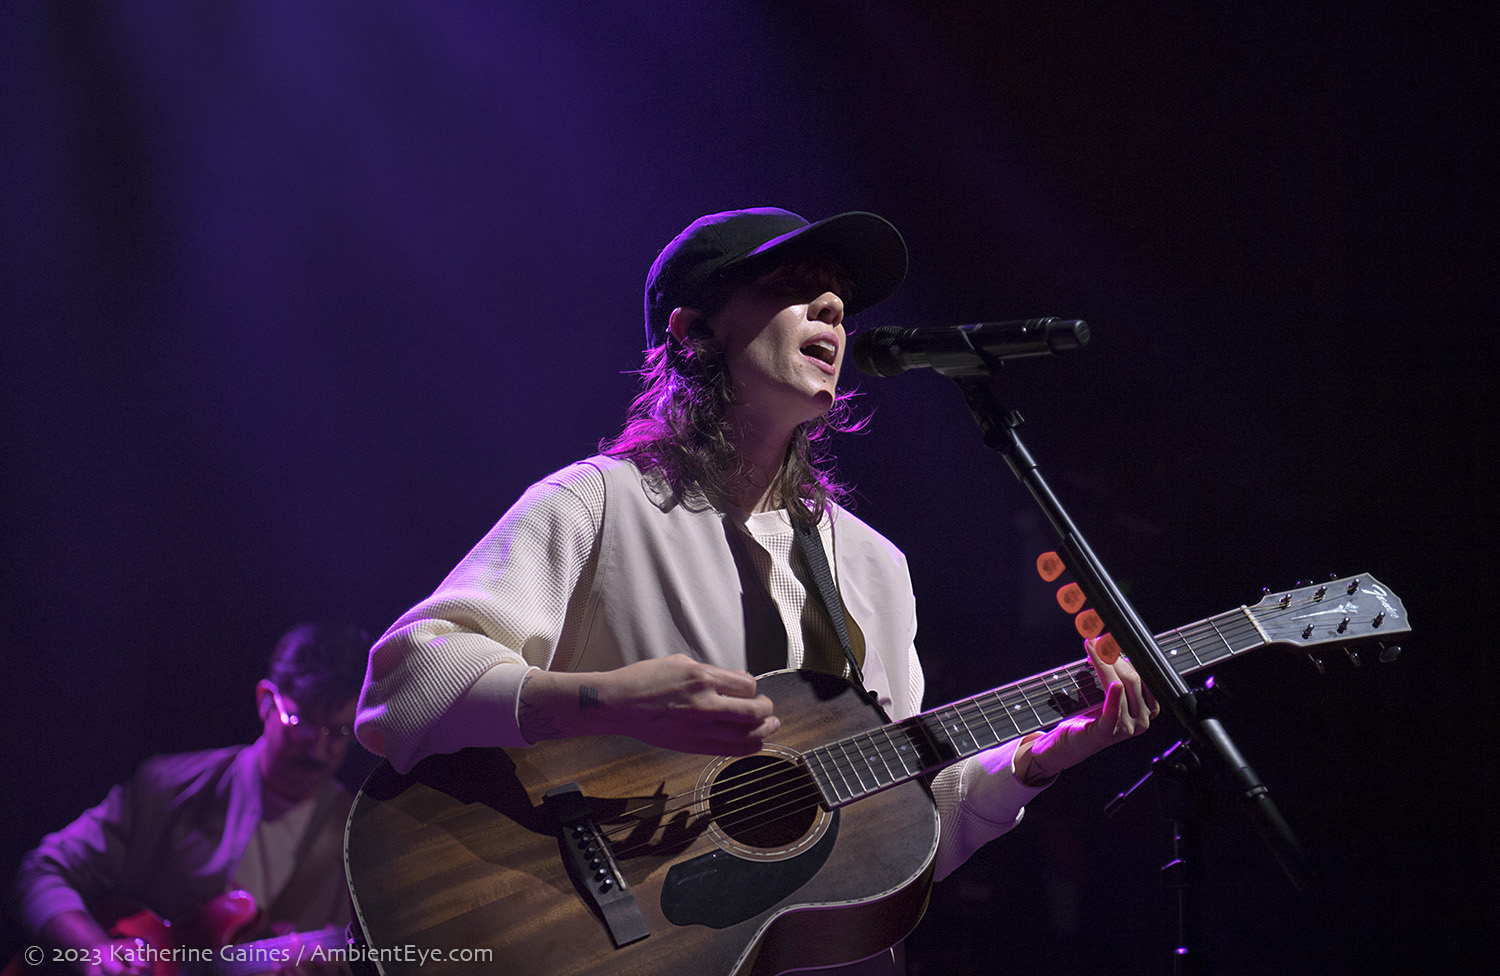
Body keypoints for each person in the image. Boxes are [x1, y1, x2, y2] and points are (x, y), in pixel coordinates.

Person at [354, 207, 1159, 974]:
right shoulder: (598, 503)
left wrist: (1037, 759)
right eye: (793, 284)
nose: (835, 307)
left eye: (839, 298)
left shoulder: (873, 568)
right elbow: (404, 688)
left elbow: (906, 829)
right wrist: (603, 700)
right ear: (694, 331)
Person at [12, 623, 371, 976]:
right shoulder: (171, 786)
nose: (319, 749)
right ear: (265, 701)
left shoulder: (360, 841)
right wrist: (92, 951)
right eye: (301, 722)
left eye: (340, 731)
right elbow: (42, 872)